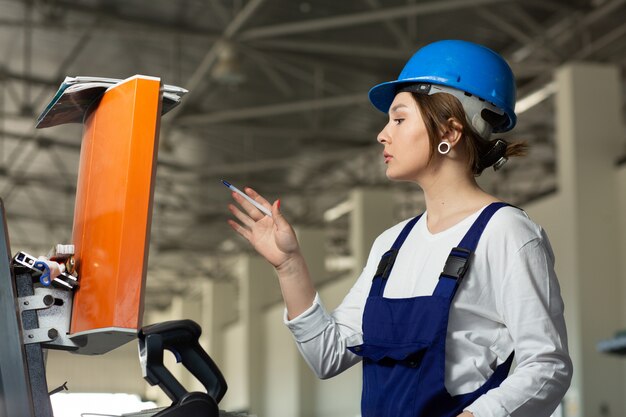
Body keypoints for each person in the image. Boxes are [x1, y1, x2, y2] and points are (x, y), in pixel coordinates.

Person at [226, 40, 572, 417]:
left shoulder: (506, 232)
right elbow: (327, 356)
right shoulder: (391, 245)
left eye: (399, 118)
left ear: (450, 132)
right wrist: (288, 265)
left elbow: (547, 366)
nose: (382, 134)